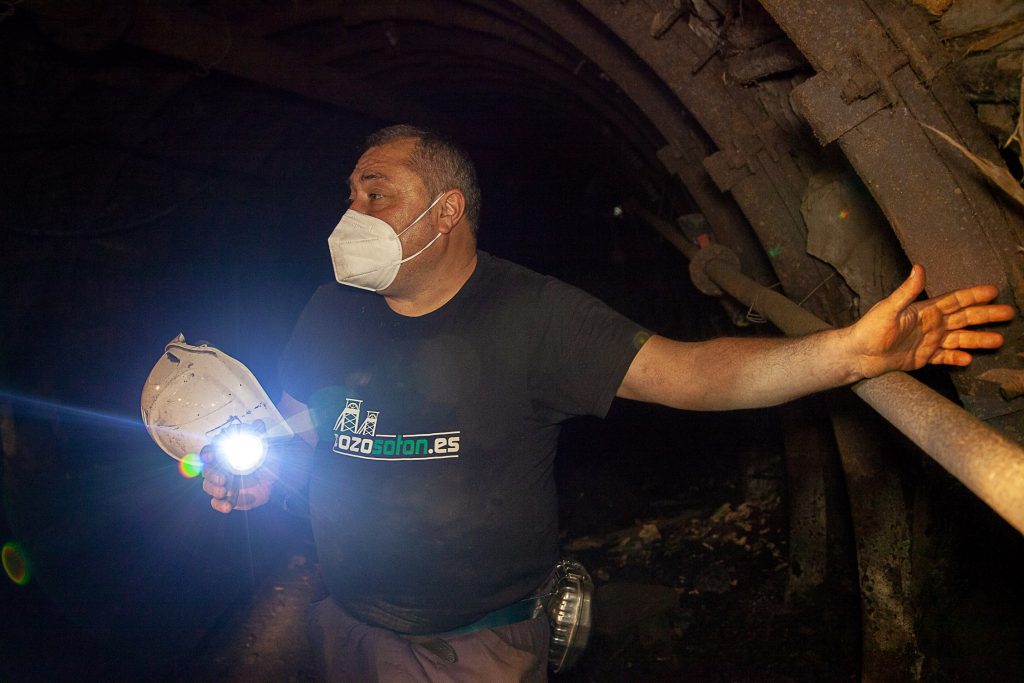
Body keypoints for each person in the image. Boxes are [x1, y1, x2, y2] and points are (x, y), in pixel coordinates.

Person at [201, 124, 1014, 681]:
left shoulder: (536, 315)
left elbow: (696, 374)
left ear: (444, 212)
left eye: (376, 193)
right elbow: (302, 423)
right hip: (343, 628)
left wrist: (847, 353)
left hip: (473, 651)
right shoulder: (328, 309)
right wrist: (260, 471)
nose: (353, 210)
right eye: (350, 192)